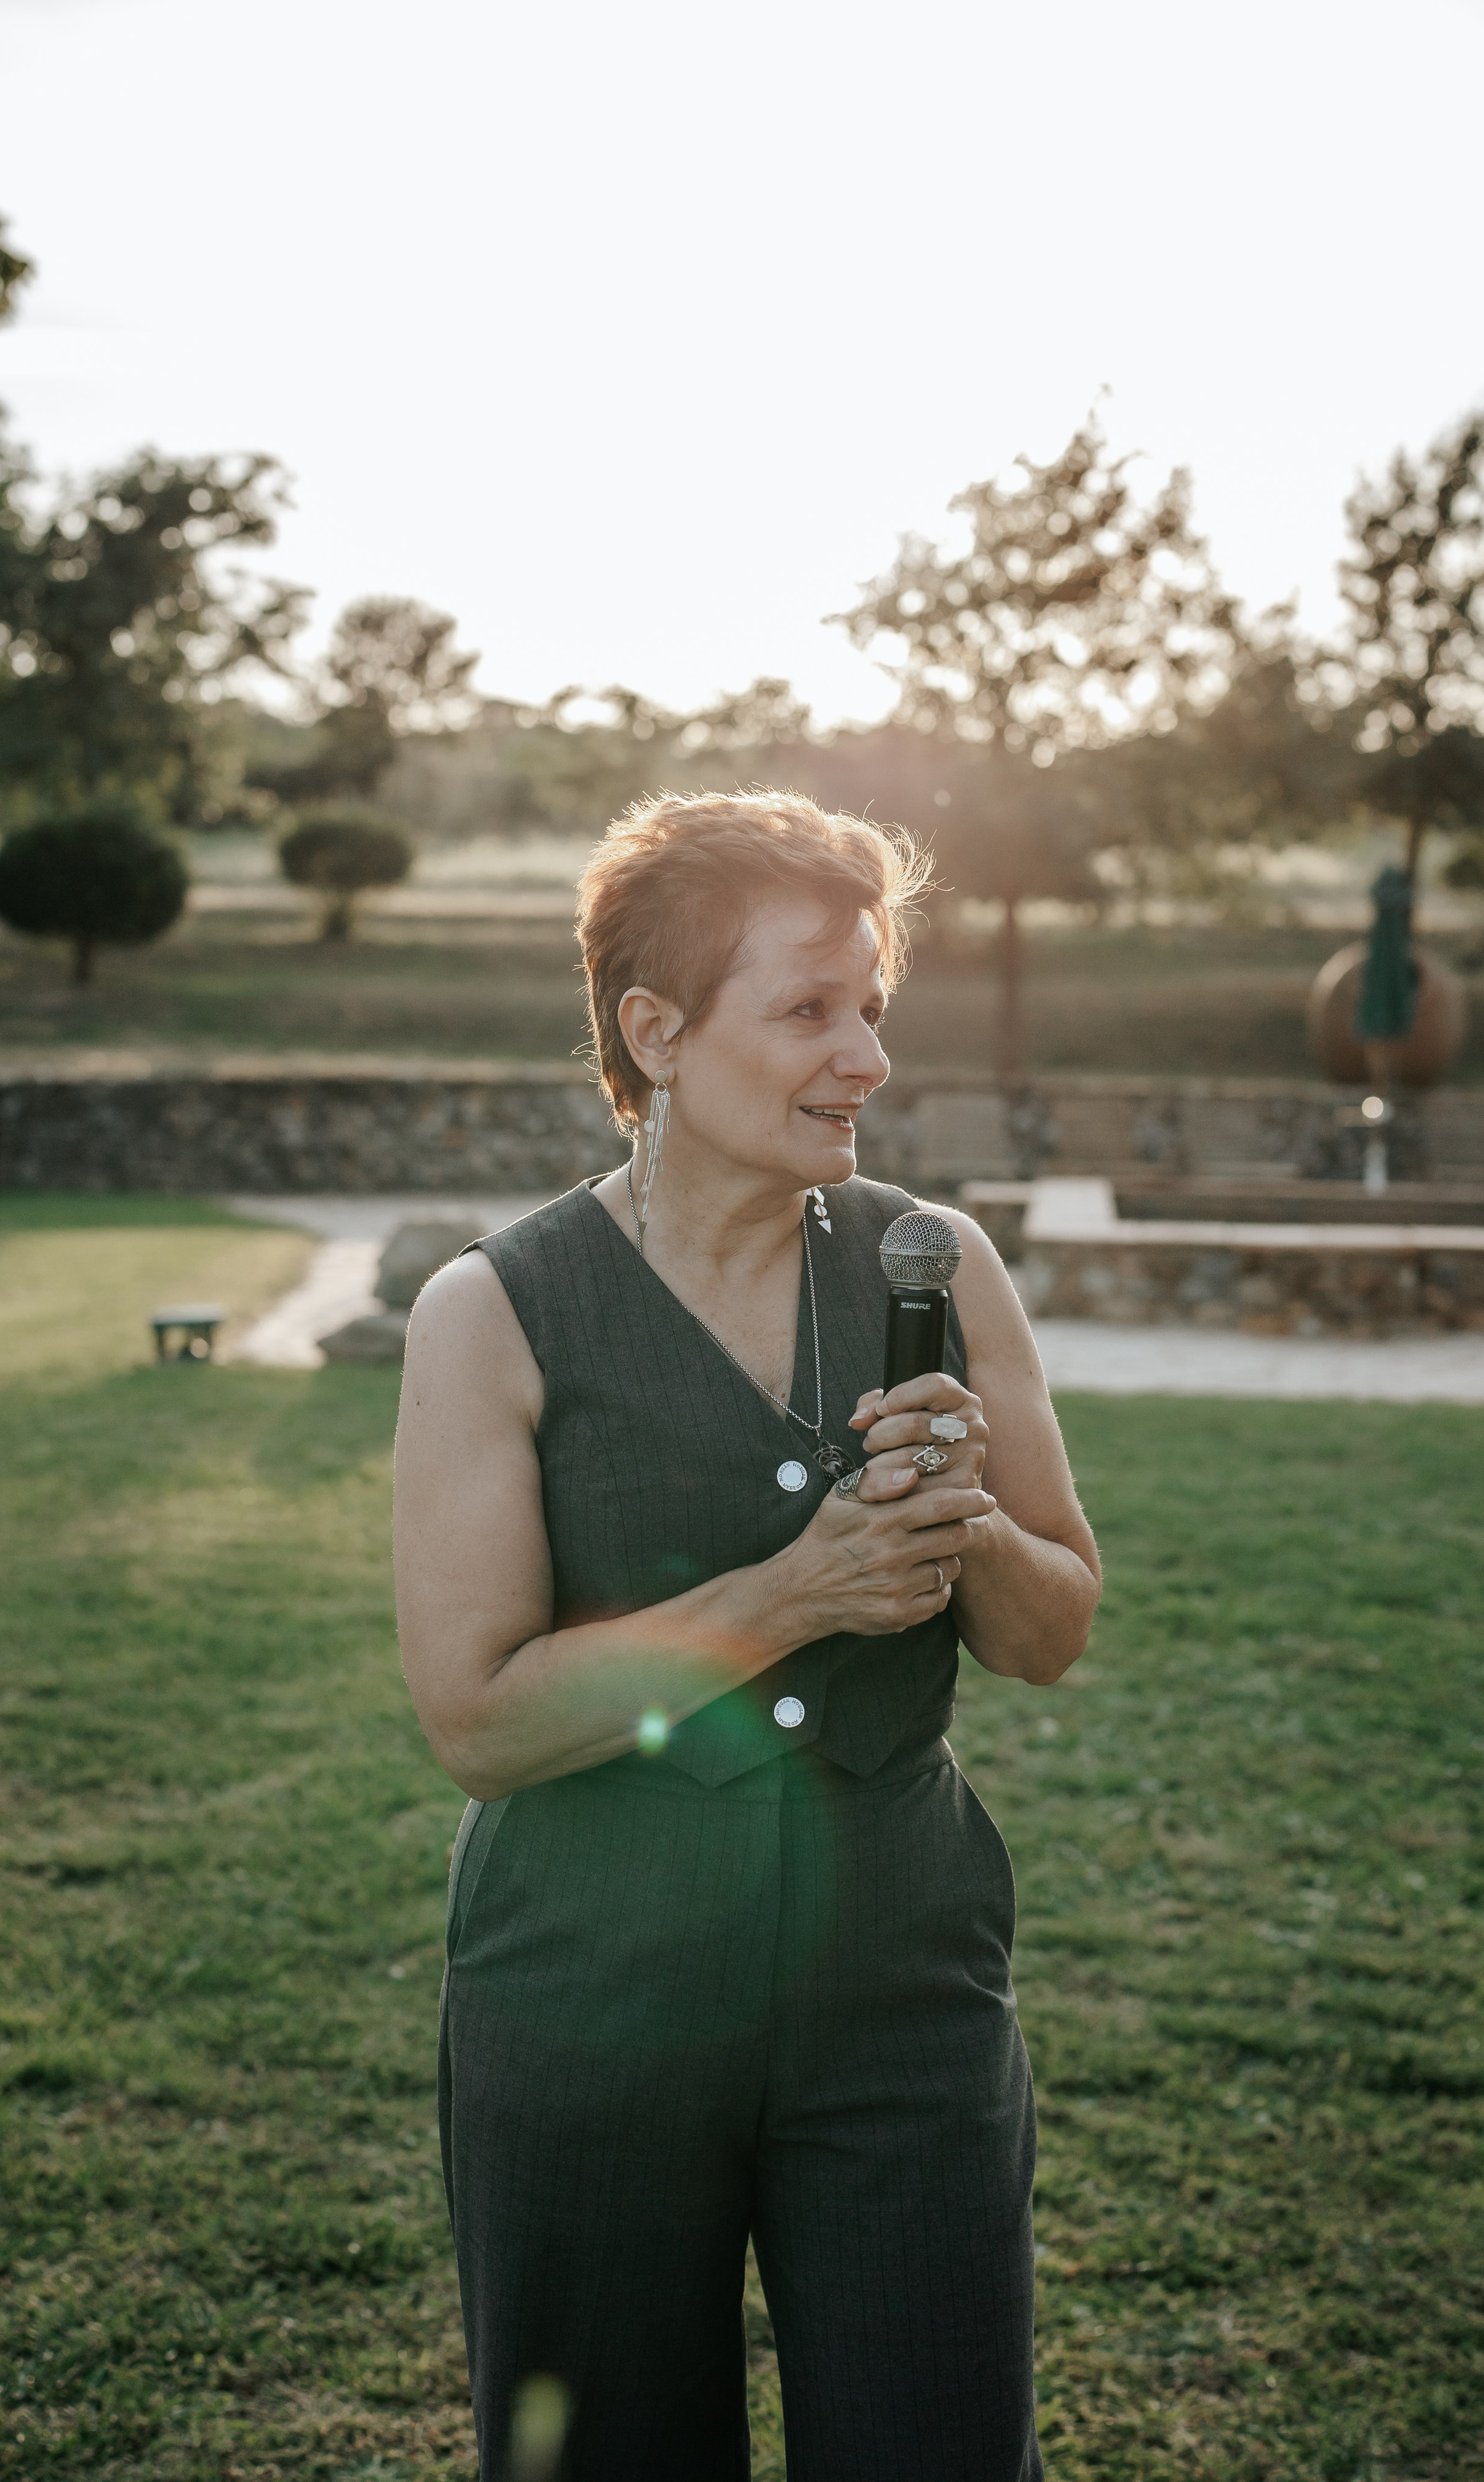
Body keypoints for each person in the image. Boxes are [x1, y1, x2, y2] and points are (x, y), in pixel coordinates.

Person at [395, 792, 1101, 2481]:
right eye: (808, 1011)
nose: (867, 1058)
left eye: (873, 1007)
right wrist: (793, 1594)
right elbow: (480, 1721)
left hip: (903, 1993)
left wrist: (964, 1520)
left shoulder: (942, 1264)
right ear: (657, 1032)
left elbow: (1053, 1628)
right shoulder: (493, 1314)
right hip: (586, 2001)